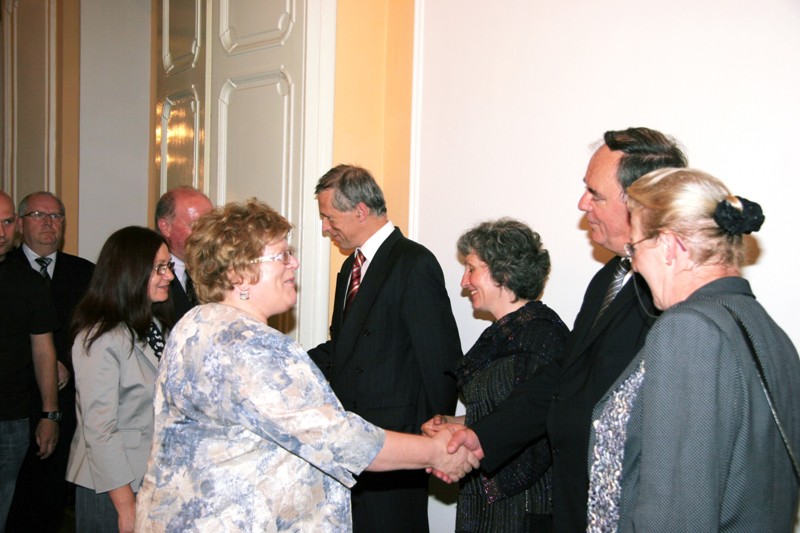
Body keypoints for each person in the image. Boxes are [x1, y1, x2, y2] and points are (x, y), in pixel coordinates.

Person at [134, 200, 478, 532]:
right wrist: (437, 451)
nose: (294, 264)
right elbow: (338, 439)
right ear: (239, 273)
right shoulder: (249, 344)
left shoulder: (194, 324)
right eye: (282, 255)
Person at [439, 127, 688, 532]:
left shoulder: (675, 290)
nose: (582, 203)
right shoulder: (608, 278)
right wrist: (483, 436)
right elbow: (564, 378)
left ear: (642, 201)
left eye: (595, 194)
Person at [586, 168, 800, 531]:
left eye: (635, 248)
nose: (634, 264)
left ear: (670, 246)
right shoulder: (765, 328)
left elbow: (675, 514)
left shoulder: (688, 330)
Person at [308, 165, 462, 532]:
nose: (325, 228)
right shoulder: (350, 268)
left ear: (360, 211)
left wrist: (434, 436)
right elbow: (343, 348)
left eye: (329, 218)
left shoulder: (413, 263)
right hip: (353, 444)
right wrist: (287, 360)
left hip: (396, 448)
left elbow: (441, 362)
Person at [423, 219, 568, 532]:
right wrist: (454, 423)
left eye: (471, 269)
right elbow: (506, 411)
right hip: (484, 500)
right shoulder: (502, 334)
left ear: (503, 273)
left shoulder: (542, 336)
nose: (464, 281)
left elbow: (539, 422)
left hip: (522, 508)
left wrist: (468, 447)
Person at [66, 226, 174, 533]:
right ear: (131, 272)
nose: (168, 276)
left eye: (168, 266)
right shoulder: (100, 337)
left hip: (150, 479)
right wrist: (125, 504)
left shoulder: (155, 326)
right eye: (159, 268)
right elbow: (99, 429)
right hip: (112, 485)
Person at [6, 191, 94, 533]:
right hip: (13, 402)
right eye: (38, 215)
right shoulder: (8, 267)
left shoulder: (84, 273)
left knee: (50, 498)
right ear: (20, 223)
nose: (48, 223)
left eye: (56, 216)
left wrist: (65, 361)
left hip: (65, 404)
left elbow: (95, 332)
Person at [0, 191, 60, 532]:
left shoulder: (28, 282)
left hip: (11, 418)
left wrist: (50, 414)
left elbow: (43, 349)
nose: (2, 232)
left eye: (7, 222)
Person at [155, 186, 213, 321]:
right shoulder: (149, 277)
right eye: (197, 226)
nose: (208, 234)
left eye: (211, 226)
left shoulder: (218, 270)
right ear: (165, 227)